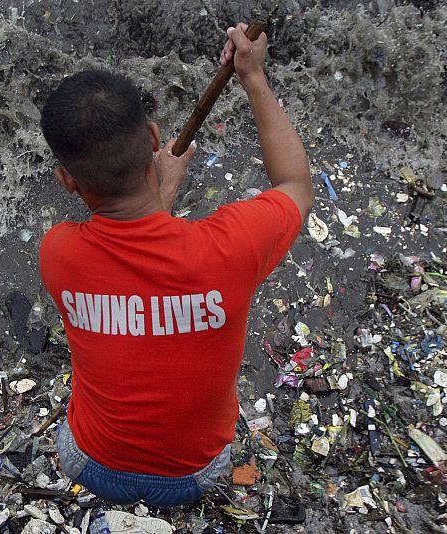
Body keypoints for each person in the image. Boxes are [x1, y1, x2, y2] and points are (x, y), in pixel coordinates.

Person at [39, 23, 313, 507]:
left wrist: (162, 190)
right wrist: (253, 76)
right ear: (152, 137)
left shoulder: (58, 254)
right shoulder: (229, 249)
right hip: (192, 476)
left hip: (91, 465)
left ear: (66, 180)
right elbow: (295, 186)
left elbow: (132, 258)